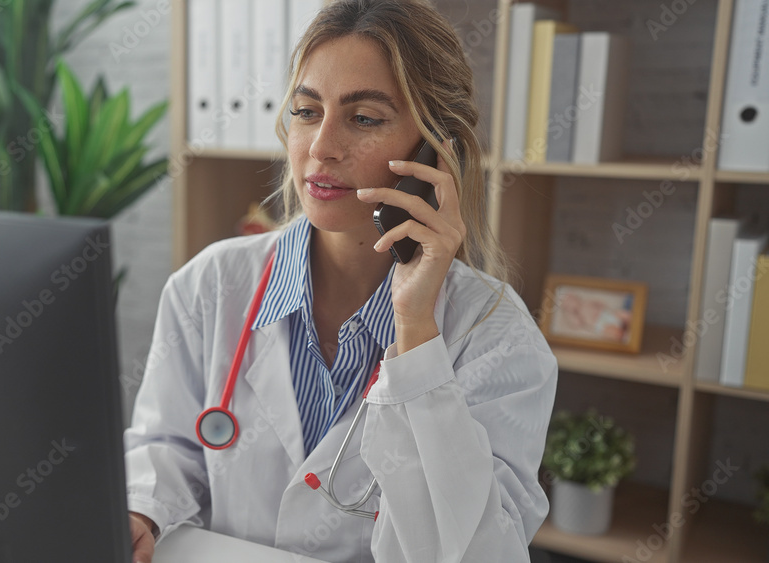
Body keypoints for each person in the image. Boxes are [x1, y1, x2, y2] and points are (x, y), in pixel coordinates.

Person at [124, 1, 558, 561]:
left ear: (434, 151)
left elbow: (479, 552)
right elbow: (170, 445)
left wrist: (417, 334)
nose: (321, 147)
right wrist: (143, 509)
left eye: (364, 118)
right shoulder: (208, 285)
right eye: (306, 111)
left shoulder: (497, 336)